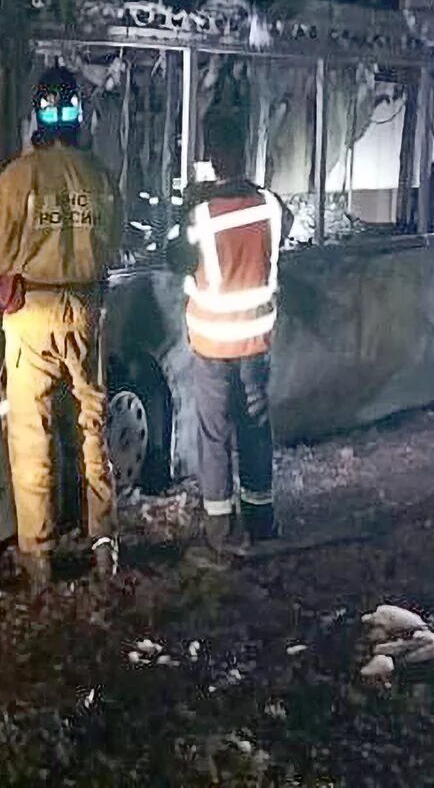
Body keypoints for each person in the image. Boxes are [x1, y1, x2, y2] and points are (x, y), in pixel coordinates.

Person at [0, 66, 123, 591]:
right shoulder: (99, 176)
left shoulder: (19, 176)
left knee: (31, 432)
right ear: (80, 117)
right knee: (91, 424)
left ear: (36, 115)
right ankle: (104, 542)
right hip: (86, 310)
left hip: (31, 316)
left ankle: (38, 558)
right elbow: (115, 241)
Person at [169, 115, 290, 566]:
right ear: (245, 155)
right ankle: (262, 521)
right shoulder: (271, 206)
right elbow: (283, 225)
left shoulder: (200, 216)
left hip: (213, 346)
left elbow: (175, 258)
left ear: (211, 161)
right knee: (256, 429)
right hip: (256, 343)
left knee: (215, 434)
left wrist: (191, 204)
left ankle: (221, 531)